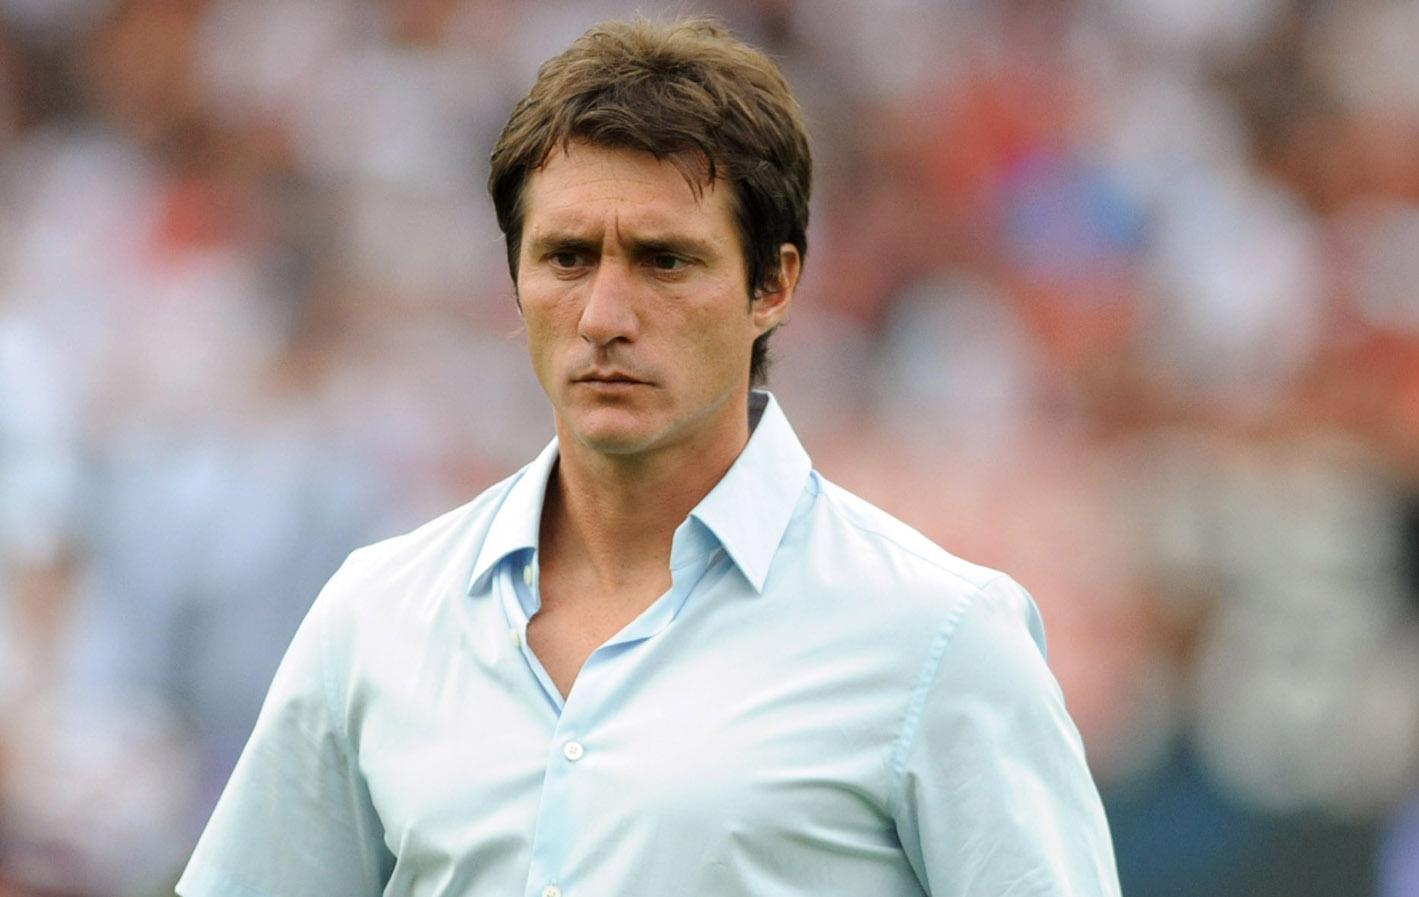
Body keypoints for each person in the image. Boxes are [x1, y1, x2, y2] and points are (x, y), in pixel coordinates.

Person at [177, 17, 1120, 897]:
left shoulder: (937, 636)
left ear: (773, 284)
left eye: (664, 260)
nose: (603, 316)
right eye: (566, 256)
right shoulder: (376, 616)